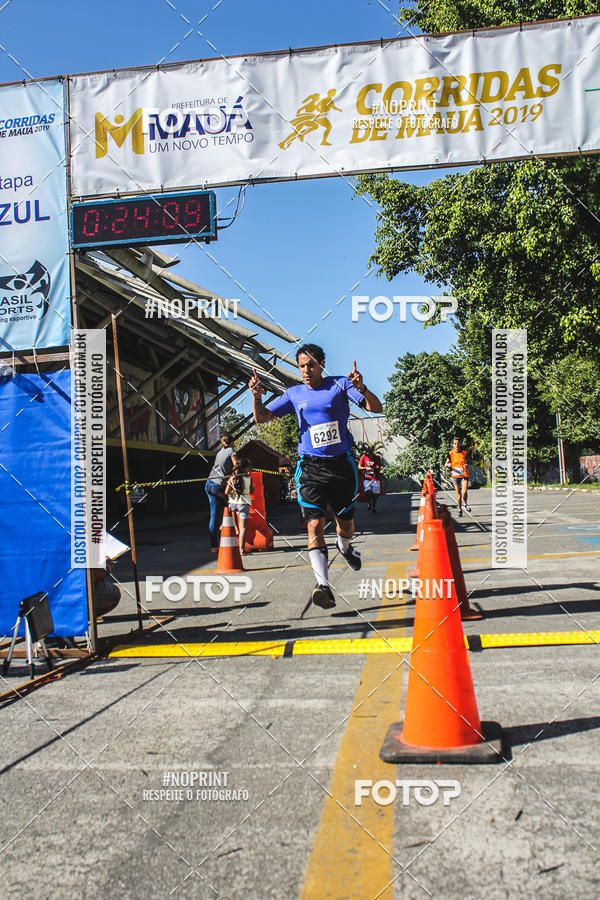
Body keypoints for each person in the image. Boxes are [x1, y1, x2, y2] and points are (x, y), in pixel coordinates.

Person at [249, 344, 382, 610]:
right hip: (310, 468)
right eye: (301, 366)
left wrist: (363, 388)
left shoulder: (341, 385)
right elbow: (262, 418)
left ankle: (344, 547)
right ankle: (323, 585)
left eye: (311, 365)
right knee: (314, 525)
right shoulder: (294, 394)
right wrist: (256, 397)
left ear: (322, 364)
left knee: (346, 526)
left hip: (341, 467)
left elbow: (375, 408)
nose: (306, 371)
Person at [205, 433, 237, 552]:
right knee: (233, 507)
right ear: (232, 442)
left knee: (215, 515)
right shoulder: (231, 451)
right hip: (219, 486)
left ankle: (214, 546)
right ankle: (235, 535)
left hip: (209, 484)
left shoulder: (220, 452)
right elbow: (237, 467)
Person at [225, 457, 254, 554]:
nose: (250, 469)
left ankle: (236, 529)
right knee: (243, 528)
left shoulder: (231, 479)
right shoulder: (249, 479)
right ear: (245, 468)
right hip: (244, 503)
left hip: (233, 503)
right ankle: (241, 550)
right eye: (249, 467)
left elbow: (226, 492)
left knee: (236, 526)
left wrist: (233, 493)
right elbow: (252, 491)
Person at [445, 437, 471, 517]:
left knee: (464, 491)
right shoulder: (450, 453)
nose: (457, 445)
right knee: (458, 494)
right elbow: (446, 464)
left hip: (464, 474)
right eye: (455, 443)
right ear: (453, 445)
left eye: (458, 443)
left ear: (460, 444)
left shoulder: (465, 453)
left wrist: (467, 464)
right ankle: (460, 509)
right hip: (455, 475)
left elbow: (468, 461)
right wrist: (448, 465)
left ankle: (465, 504)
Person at [358, 445, 382, 513]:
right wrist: (366, 468)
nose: (370, 455)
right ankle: (369, 502)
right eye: (368, 453)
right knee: (367, 492)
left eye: (371, 453)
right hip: (367, 477)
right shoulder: (364, 456)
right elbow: (359, 466)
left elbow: (379, 466)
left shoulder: (377, 457)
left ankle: (374, 507)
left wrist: (375, 468)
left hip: (375, 478)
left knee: (375, 495)